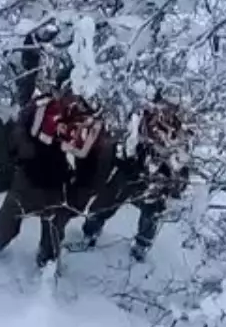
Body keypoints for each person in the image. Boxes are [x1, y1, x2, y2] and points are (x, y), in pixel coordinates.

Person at [0, 89, 113, 267]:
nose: (72, 99)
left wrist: (79, 198)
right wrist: (24, 151)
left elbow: (96, 169)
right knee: (5, 225)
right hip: (28, 178)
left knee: (52, 238)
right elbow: (19, 127)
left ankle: (47, 272)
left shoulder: (94, 129)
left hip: (60, 190)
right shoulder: (42, 106)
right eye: (67, 91)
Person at [75, 96, 190, 262]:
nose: (165, 109)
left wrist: (175, 182)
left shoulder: (179, 132)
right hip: (130, 171)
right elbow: (123, 141)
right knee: (104, 203)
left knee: (152, 212)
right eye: (163, 104)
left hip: (155, 181)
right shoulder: (141, 118)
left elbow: (182, 163)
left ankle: (141, 248)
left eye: (170, 106)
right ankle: (89, 234)